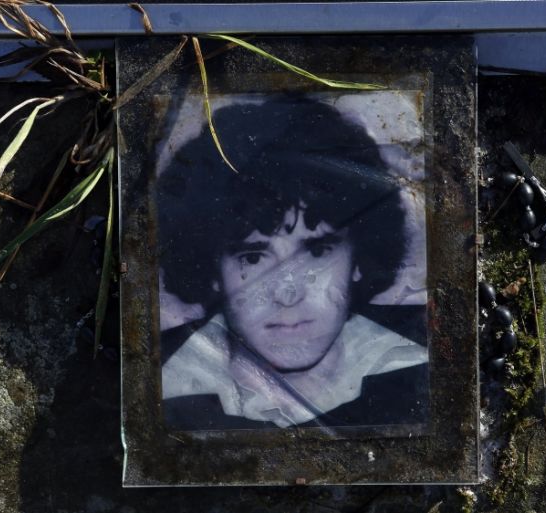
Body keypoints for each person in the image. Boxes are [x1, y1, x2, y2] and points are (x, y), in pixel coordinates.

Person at [157, 96, 429, 430]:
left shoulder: (422, 371)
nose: (288, 294)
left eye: (317, 252)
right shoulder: (162, 387)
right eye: (253, 258)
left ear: (359, 258)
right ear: (212, 270)